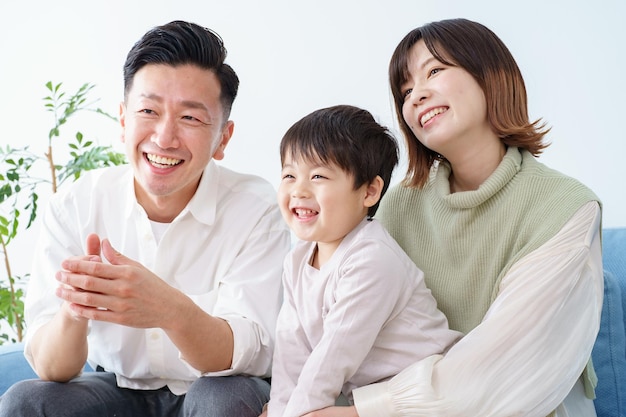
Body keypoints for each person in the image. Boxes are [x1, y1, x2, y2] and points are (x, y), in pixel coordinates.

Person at [301, 18, 603, 417]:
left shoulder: (566, 208)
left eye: (435, 71)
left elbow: (501, 373)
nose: (416, 97)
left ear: (492, 76)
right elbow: (342, 328)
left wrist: (357, 413)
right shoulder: (395, 207)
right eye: (405, 91)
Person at [0, 20, 290, 417]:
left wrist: (169, 309)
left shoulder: (256, 208)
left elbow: (251, 353)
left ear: (223, 138)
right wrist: (76, 306)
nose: (165, 137)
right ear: (123, 120)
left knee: (226, 399)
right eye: (149, 111)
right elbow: (52, 367)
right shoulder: (76, 203)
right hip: (114, 387)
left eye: (190, 118)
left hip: (213, 387)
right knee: (26, 402)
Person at [263, 105, 461, 417]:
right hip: (369, 399)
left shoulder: (372, 259)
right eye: (289, 175)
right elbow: (292, 352)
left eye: (318, 176)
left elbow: (334, 355)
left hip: (423, 394)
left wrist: (295, 415)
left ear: (369, 191)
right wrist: (278, 410)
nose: (299, 189)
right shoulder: (297, 259)